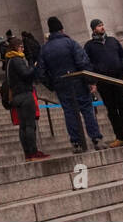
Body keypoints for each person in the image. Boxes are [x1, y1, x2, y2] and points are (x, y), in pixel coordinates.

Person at [36, 16, 104, 153]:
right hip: (77, 80)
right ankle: (96, 138)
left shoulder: (45, 49)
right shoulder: (71, 43)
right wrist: (90, 81)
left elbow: (41, 72)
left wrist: (52, 85)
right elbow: (82, 62)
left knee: (69, 112)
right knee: (86, 109)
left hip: (61, 83)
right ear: (62, 29)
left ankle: (76, 142)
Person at [84, 19, 123, 147]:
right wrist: (96, 74)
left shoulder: (113, 41)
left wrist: (121, 65)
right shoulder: (89, 46)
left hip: (118, 78)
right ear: (93, 29)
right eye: (99, 26)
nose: (102, 27)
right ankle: (119, 136)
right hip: (104, 81)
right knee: (112, 110)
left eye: (102, 25)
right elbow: (87, 63)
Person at [4, 36, 49, 161]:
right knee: (29, 125)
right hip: (24, 94)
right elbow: (26, 74)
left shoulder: (9, 61)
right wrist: (33, 67)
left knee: (23, 126)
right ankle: (33, 152)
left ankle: (28, 153)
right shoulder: (17, 60)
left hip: (17, 96)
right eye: (21, 46)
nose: (23, 48)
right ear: (16, 47)